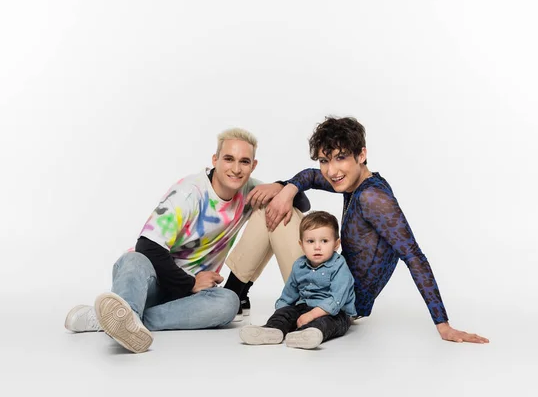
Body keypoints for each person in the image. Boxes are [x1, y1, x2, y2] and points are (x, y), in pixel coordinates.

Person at [229, 117, 489, 344]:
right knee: (280, 201)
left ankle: (232, 296)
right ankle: (235, 298)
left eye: (341, 158)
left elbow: (413, 256)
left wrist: (442, 324)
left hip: (339, 298)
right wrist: (286, 188)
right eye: (324, 160)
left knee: (267, 210)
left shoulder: (373, 198)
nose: (331, 170)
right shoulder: (351, 181)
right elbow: (310, 176)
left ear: (361, 155)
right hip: (324, 278)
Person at [64, 128, 309, 353]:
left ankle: (124, 319)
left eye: (244, 162)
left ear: (253, 166)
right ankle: (124, 311)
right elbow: (147, 247)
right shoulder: (190, 192)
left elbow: (301, 203)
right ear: (215, 160)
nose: (236, 169)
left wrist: (280, 186)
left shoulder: (249, 191)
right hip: (150, 282)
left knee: (228, 303)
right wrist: (190, 283)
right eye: (228, 159)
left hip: (188, 300)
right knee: (134, 259)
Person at [239, 211, 356, 349]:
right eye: (310, 241)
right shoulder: (299, 265)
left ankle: (309, 334)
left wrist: (311, 315)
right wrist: (282, 313)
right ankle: (273, 330)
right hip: (305, 307)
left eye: (324, 241)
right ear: (301, 244)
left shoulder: (339, 265)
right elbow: (289, 293)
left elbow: (336, 299)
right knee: (285, 314)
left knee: (327, 323)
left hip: (335, 312)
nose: (317, 247)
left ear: (336, 244)